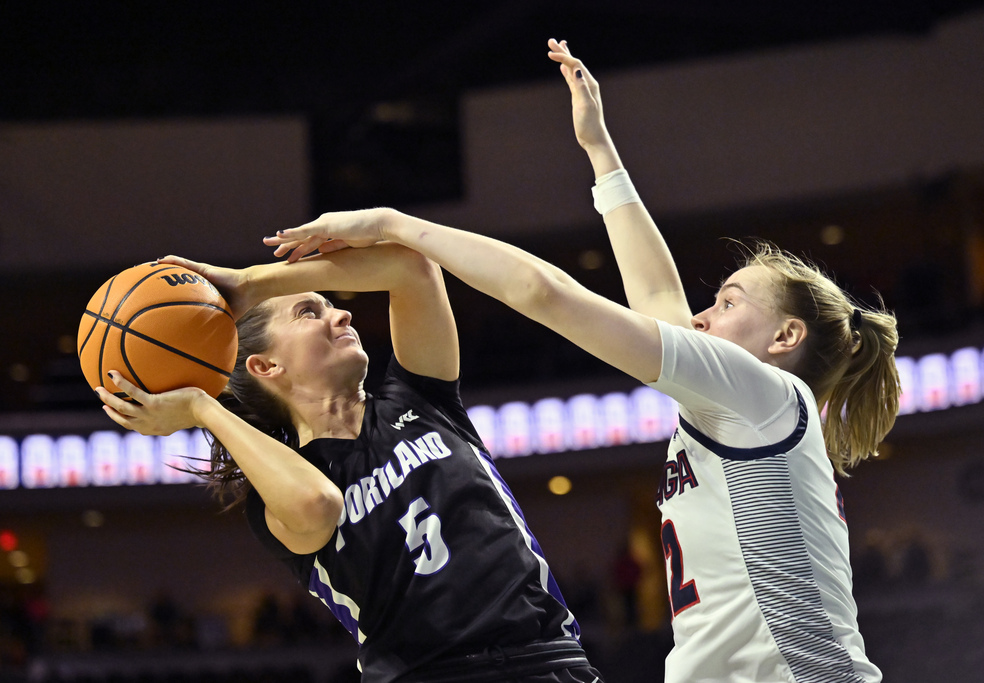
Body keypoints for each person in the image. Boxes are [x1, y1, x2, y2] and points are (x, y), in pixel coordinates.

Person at [263, 38, 901, 683]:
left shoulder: (764, 397)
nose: (703, 318)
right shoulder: (738, 406)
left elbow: (543, 293)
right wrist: (601, 151)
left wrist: (398, 224)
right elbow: (658, 302)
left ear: (786, 338)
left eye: (729, 302)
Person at [95, 243, 605, 683]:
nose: (343, 315)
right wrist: (201, 407)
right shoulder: (280, 490)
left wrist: (253, 282)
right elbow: (317, 504)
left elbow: (412, 268)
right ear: (265, 365)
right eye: (309, 313)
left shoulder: (421, 399)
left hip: (545, 659)